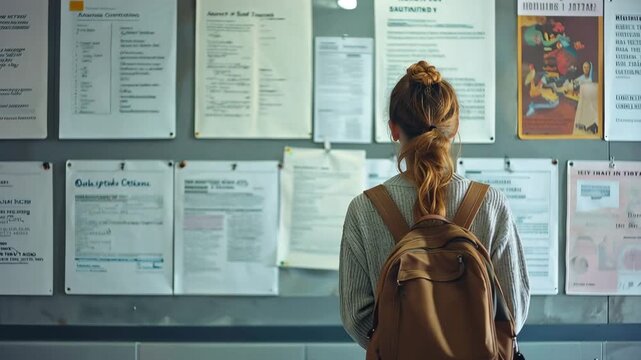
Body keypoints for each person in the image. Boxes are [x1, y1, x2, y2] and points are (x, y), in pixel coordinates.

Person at [339, 60, 531, 349]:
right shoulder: (489, 203)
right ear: (454, 129)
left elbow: (356, 317)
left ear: (393, 129)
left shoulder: (364, 210)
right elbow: (513, 309)